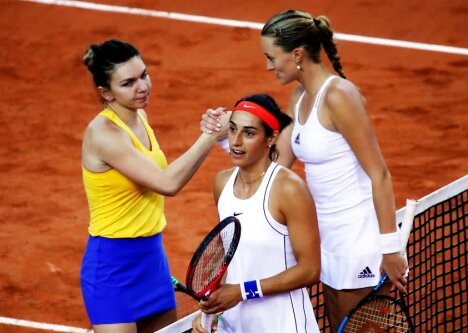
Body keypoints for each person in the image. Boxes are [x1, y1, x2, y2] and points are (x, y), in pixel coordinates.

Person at [201, 10, 408, 332]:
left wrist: (389, 248)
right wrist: (225, 138)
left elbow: (379, 174)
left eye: (272, 57)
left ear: (296, 54)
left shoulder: (339, 96)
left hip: (357, 237)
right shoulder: (299, 97)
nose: (269, 66)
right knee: (339, 324)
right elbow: (276, 161)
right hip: (324, 236)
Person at [80, 39, 227, 333]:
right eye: (128, 82)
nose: (142, 86)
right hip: (112, 269)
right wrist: (210, 136)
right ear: (105, 92)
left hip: (151, 261)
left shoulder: (139, 117)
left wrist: (208, 133)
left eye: (144, 75)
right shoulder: (103, 133)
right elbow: (167, 182)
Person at [192, 94, 321, 333]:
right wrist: (207, 312)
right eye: (232, 130)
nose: (236, 141)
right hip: (233, 325)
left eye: (249, 133)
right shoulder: (222, 183)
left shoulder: (289, 189)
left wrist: (242, 291)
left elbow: (310, 270)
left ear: (271, 138)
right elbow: (227, 256)